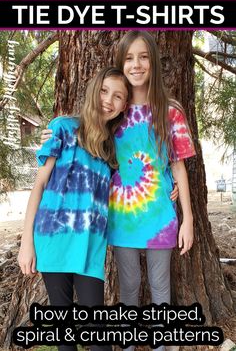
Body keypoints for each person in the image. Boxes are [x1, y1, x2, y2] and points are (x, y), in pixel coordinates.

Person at [40, 31, 195, 351]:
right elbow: (85, 135)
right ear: (119, 64)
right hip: (121, 217)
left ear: (153, 61)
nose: (136, 64)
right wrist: (55, 128)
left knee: (160, 285)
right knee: (129, 286)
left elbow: (178, 165)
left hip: (160, 217)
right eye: (128, 58)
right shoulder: (115, 115)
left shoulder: (170, 112)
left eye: (143, 57)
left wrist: (188, 218)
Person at [18, 66, 131, 351]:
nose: (108, 100)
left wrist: (170, 186)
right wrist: (26, 243)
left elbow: (132, 185)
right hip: (52, 241)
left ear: (123, 106)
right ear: (94, 91)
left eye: (118, 96)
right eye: (104, 91)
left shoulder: (112, 150)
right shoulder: (63, 129)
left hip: (90, 248)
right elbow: (40, 185)